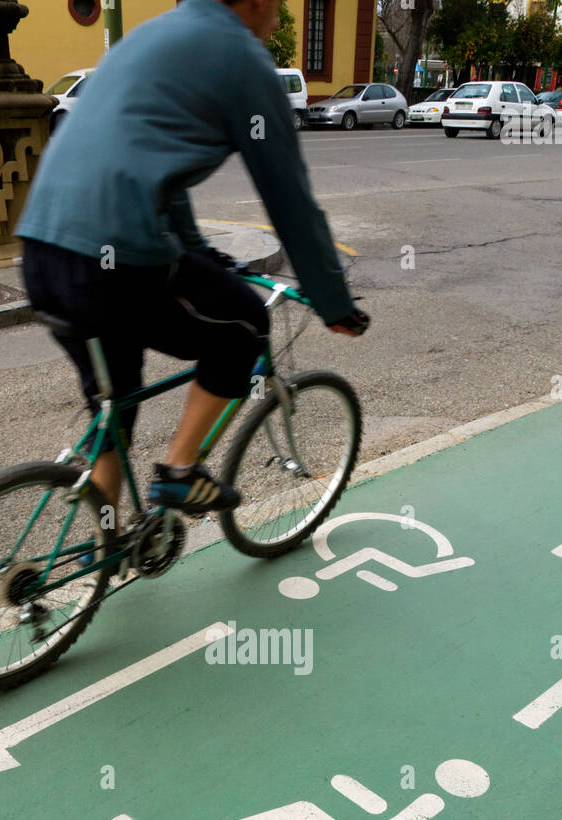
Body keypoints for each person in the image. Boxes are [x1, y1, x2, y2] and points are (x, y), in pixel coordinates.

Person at [18, 0, 369, 534]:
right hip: (115, 258)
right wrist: (334, 302)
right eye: (275, 3)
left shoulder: (150, 36)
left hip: (41, 249)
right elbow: (290, 202)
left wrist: (199, 253)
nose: (278, 18)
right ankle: (180, 470)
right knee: (245, 325)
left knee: (115, 405)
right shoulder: (244, 62)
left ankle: (105, 545)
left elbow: (156, 173)